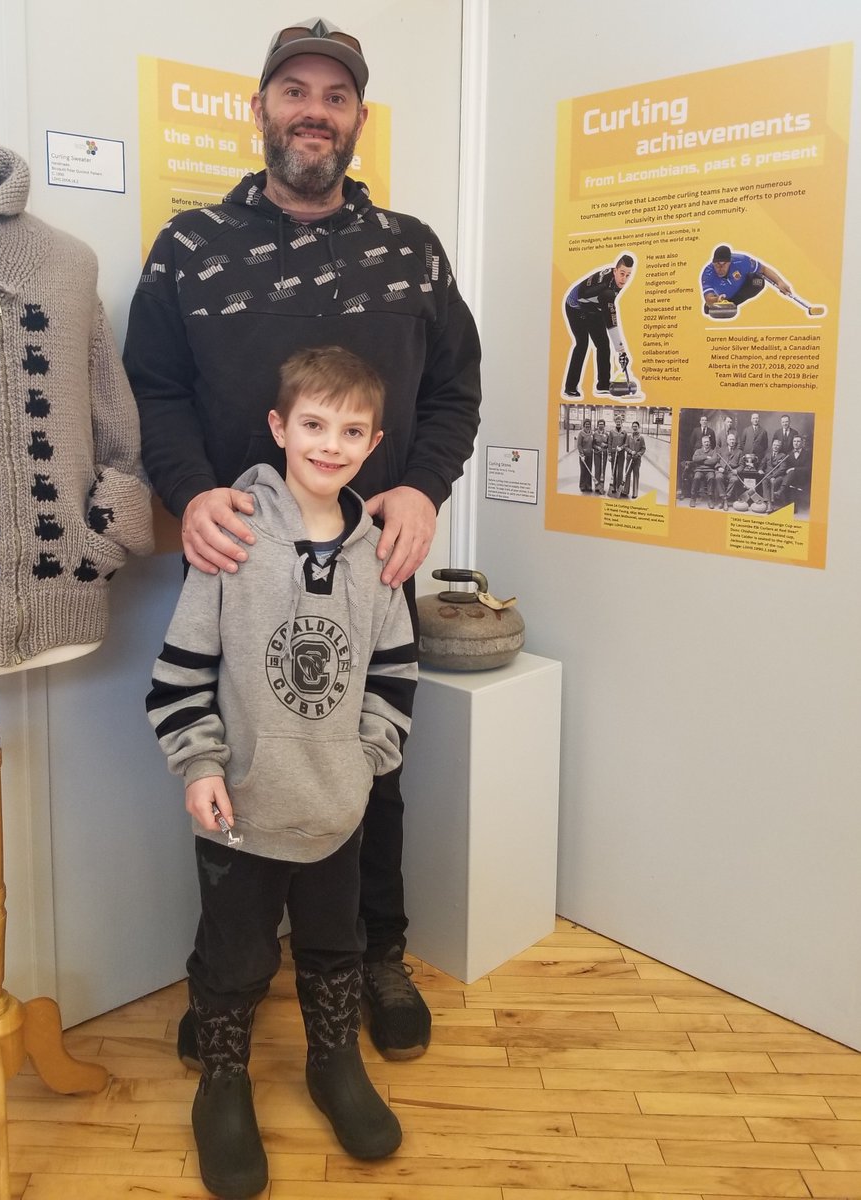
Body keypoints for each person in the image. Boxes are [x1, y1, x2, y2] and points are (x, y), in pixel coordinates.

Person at [125, 17, 482, 1063]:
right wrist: (189, 494)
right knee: (229, 752)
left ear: (357, 121)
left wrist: (421, 488)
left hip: (375, 557)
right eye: (295, 92)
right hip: (239, 562)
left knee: (373, 760)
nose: (313, 111)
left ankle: (373, 954)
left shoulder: (411, 248)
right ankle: (225, 978)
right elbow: (153, 390)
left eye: (335, 97)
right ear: (261, 110)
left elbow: (457, 390)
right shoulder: (191, 247)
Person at [146, 347, 418, 1198]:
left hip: (336, 810)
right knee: (234, 960)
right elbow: (178, 677)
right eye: (313, 425)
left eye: (349, 431)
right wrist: (198, 764)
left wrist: (365, 760)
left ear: (372, 444)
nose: (329, 445)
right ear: (280, 427)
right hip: (240, 810)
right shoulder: (232, 541)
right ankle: (224, 1082)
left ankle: (332, 1065)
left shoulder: (380, 560)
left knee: (335, 950)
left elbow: (395, 676)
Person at [562, 254, 635, 398]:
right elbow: (611, 321)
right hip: (575, 307)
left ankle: (603, 385)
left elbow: (607, 314)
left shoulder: (616, 282)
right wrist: (621, 352)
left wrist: (620, 352)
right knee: (582, 344)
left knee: (602, 344)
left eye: (628, 275)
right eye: (622, 274)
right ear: (615, 271)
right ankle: (570, 387)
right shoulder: (605, 290)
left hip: (592, 307)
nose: (624, 279)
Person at [700, 244, 794, 313]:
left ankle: (732, 303)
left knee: (758, 281)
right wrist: (717, 300)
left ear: (730, 262)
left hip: (741, 288)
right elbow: (708, 297)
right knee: (709, 307)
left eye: (723, 264)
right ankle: (722, 304)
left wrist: (780, 282)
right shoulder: (708, 273)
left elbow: (764, 269)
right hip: (720, 296)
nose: (720, 268)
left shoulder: (741, 261)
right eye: (717, 264)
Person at [783, 434, 812, 514]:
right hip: (791, 479)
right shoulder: (789, 454)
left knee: (790, 477)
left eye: (798, 441)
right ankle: (788, 507)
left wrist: (794, 469)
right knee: (789, 480)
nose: (796, 443)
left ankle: (782, 489)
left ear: (802, 443)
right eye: (794, 441)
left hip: (803, 477)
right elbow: (786, 468)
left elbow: (808, 468)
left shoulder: (807, 454)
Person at [715, 430, 743, 510]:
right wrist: (719, 467)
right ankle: (725, 499)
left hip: (732, 472)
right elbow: (716, 461)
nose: (732, 441)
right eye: (730, 440)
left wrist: (737, 471)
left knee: (734, 479)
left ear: (735, 441)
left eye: (733, 440)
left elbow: (742, 465)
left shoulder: (739, 452)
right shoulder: (721, 450)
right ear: (727, 441)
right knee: (718, 477)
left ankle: (724, 499)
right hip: (722, 471)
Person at [690, 434, 718, 507]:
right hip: (699, 470)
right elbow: (694, 459)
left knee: (712, 478)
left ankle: (710, 499)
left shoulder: (713, 451)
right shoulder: (698, 451)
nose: (707, 443)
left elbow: (714, 461)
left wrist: (701, 461)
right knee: (696, 478)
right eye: (705, 442)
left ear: (710, 442)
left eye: (708, 442)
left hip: (710, 470)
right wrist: (706, 457)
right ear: (702, 443)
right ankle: (693, 498)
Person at [622, 420, 646, 498]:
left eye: (636, 426)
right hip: (629, 459)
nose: (635, 428)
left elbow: (643, 449)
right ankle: (625, 491)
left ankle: (635, 493)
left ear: (638, 427)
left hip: (637, 460)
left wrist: (638, 454)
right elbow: (625, 446)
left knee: (636, 475)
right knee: (627, 475)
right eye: (633, 426)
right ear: (632, 427)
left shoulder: (641, 438)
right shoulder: (629, 437)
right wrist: (630, 451)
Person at [608, 410, 628, 496]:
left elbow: (626, 443)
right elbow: (609, 442)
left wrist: (621, 448)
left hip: (621, 455)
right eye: (617, 421)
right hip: (613, 454)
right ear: (615, 422)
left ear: (622, 422)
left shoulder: (625, 432)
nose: (618, 422)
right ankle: (613, 487)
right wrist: (609, 454)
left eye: (620, 421)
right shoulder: (612, 432)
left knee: (620, 471)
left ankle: (619, 488)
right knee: (613, 471)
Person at [576, 416, 594, 492]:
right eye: (586, 424)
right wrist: (582, 454)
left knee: (589, 470)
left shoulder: (591, 433)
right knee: (583, 470)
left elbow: (593, 443)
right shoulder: (581, 433)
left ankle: (589, 485)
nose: (587, 426)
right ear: (584, 425)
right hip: (583, 456)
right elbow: (579, 445)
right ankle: (582, 485)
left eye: (589, 424)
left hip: (590, 454)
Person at [592, 418, 609, 494]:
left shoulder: (607, 434)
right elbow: (592, 444)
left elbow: (609, 444)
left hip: (604, 454)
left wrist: (606, 445)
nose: (601, 425)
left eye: (602, 424)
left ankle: (602, 487)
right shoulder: (595, 434)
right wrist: (597, 447)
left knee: (603, 470)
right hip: (597, 454)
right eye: (599, 424)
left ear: (604, 425)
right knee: (597, 470)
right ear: (597, 425)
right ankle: (597, 487)